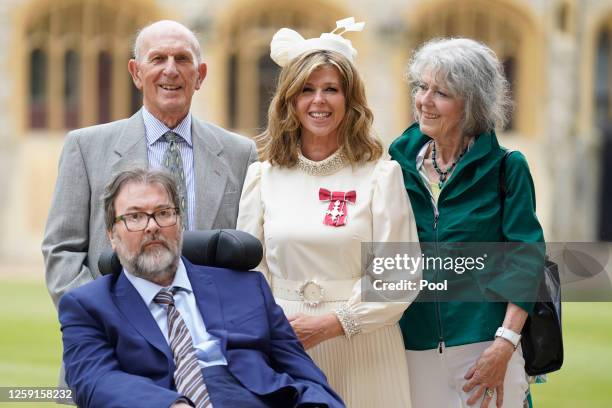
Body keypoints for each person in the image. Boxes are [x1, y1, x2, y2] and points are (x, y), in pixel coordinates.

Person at [237, 18, 421, 408]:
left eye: (331, 90)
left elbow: (399, 273)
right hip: (285, 346)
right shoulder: (261, 176)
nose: (318, 100)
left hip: (365, 346)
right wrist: (273, 329)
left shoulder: (381, 175)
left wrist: (334, 323)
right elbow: (249, 274)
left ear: (349, 100)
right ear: (290, 100)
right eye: (307, 89)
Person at [58, 167, 344, 408]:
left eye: (163, 213)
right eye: (134, 217)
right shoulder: (88, 306)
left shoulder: (246, 286)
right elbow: (95, 380)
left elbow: (306, 376)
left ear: (179, 223)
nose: (152, 226)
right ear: (111, 235)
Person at [43, 19, 257, 307]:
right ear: (136, 72)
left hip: (212, 327)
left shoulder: (240, 154)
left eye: (182, 59)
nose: (170, 69)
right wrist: (101, 319)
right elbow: (62, 250)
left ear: (200, 75)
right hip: (117, 329)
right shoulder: (85, 148)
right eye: (157, 58)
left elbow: (251, 251)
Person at [389, 38, 545, 408]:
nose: (425, 100)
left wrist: (504, 345)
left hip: (485, 346)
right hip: (413, 346)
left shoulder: (508, 167)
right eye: (421, 87)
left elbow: (526, 259)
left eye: (441, 92)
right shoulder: (394, 167)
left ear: (471, 103)